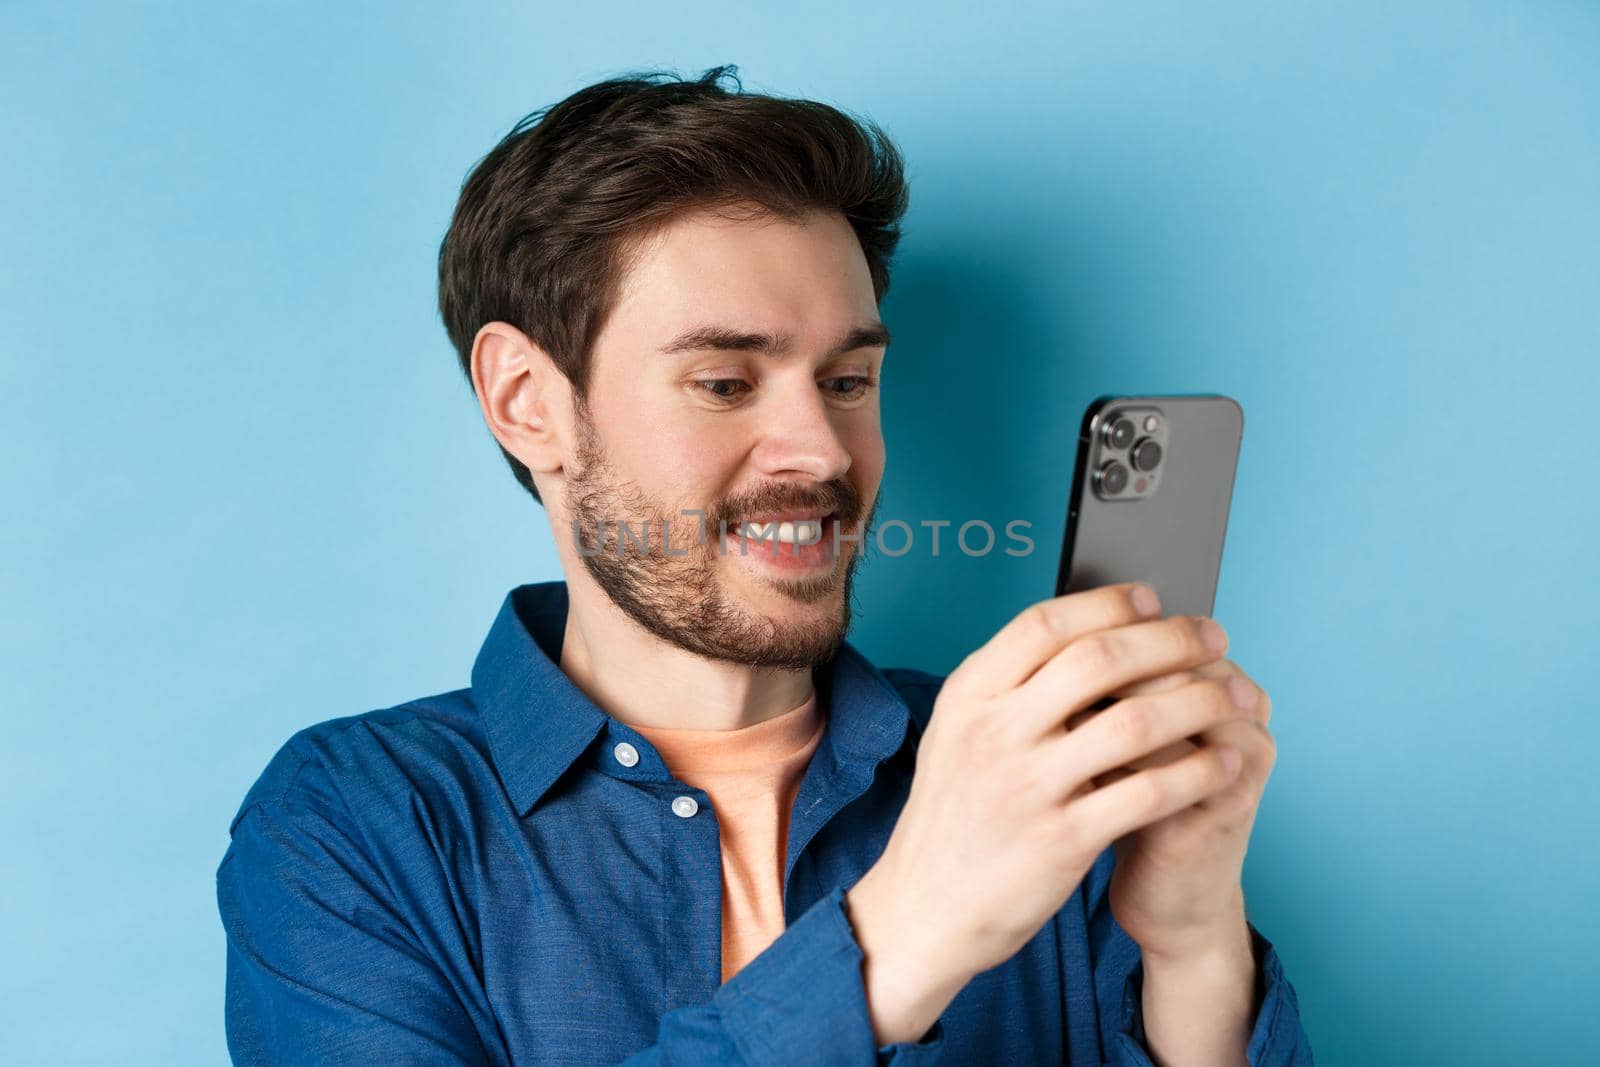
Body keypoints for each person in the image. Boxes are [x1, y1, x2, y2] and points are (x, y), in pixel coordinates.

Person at [216, 65, 1314, 1066]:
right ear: (527, 404)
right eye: (726, 382)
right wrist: (907, 929)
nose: (825, 453)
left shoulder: (1021, 761)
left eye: (845, 381)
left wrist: (1191, 941)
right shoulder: (355, 825)